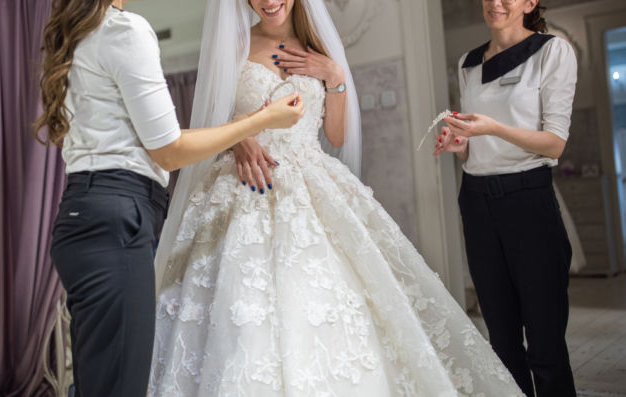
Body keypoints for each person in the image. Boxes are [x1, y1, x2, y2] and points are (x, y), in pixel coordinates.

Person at [147, 0, 524, 395]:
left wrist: (335, 76)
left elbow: (337, 136)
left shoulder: (321, 50)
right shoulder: (235, 45)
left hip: (311, 184)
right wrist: (239, 138)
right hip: (244, 186)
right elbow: (211, 121)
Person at [33, 0, 305, 394]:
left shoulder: (76, 37)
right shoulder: (125, 31)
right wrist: (262, 120)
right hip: (116, 219)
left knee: (98, 384)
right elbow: (170, 151)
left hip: (82, 217)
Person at [433, 0, 578, 394]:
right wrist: (459, 142)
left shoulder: (552, 51)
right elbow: (474, 143)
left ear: (529, 3)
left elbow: (554, 144)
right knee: (501, 344)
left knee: (545, 345)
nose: (496, 3)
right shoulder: (468, 63)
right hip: (478, 202)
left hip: (528, 199)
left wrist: (495, 128)